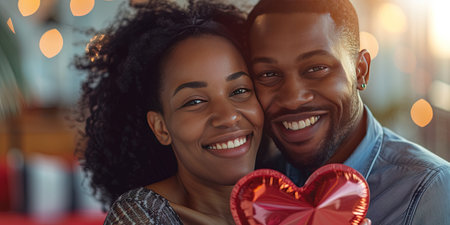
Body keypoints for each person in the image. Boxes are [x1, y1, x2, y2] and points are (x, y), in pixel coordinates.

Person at [247, 0, 450, 224]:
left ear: (360, 71)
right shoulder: (254, 190)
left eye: (316, 69)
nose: (293, 99)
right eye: (268, 75)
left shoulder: (430, 191)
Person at [75, 1, 264, 224]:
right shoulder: (141, 217)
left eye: (240, 90)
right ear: (161, 128)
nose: (228, 116)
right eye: (195, 101)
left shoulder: (292, 192)